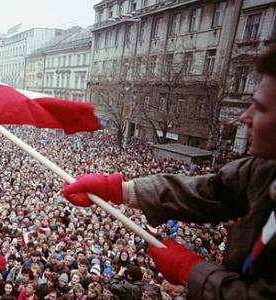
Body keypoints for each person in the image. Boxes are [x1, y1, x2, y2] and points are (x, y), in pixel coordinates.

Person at [62, 46, 276, 299]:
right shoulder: (265, 168)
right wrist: (121, 190)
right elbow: (213, 190)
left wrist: (193, 272)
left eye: (260, 108)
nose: (244, 117)